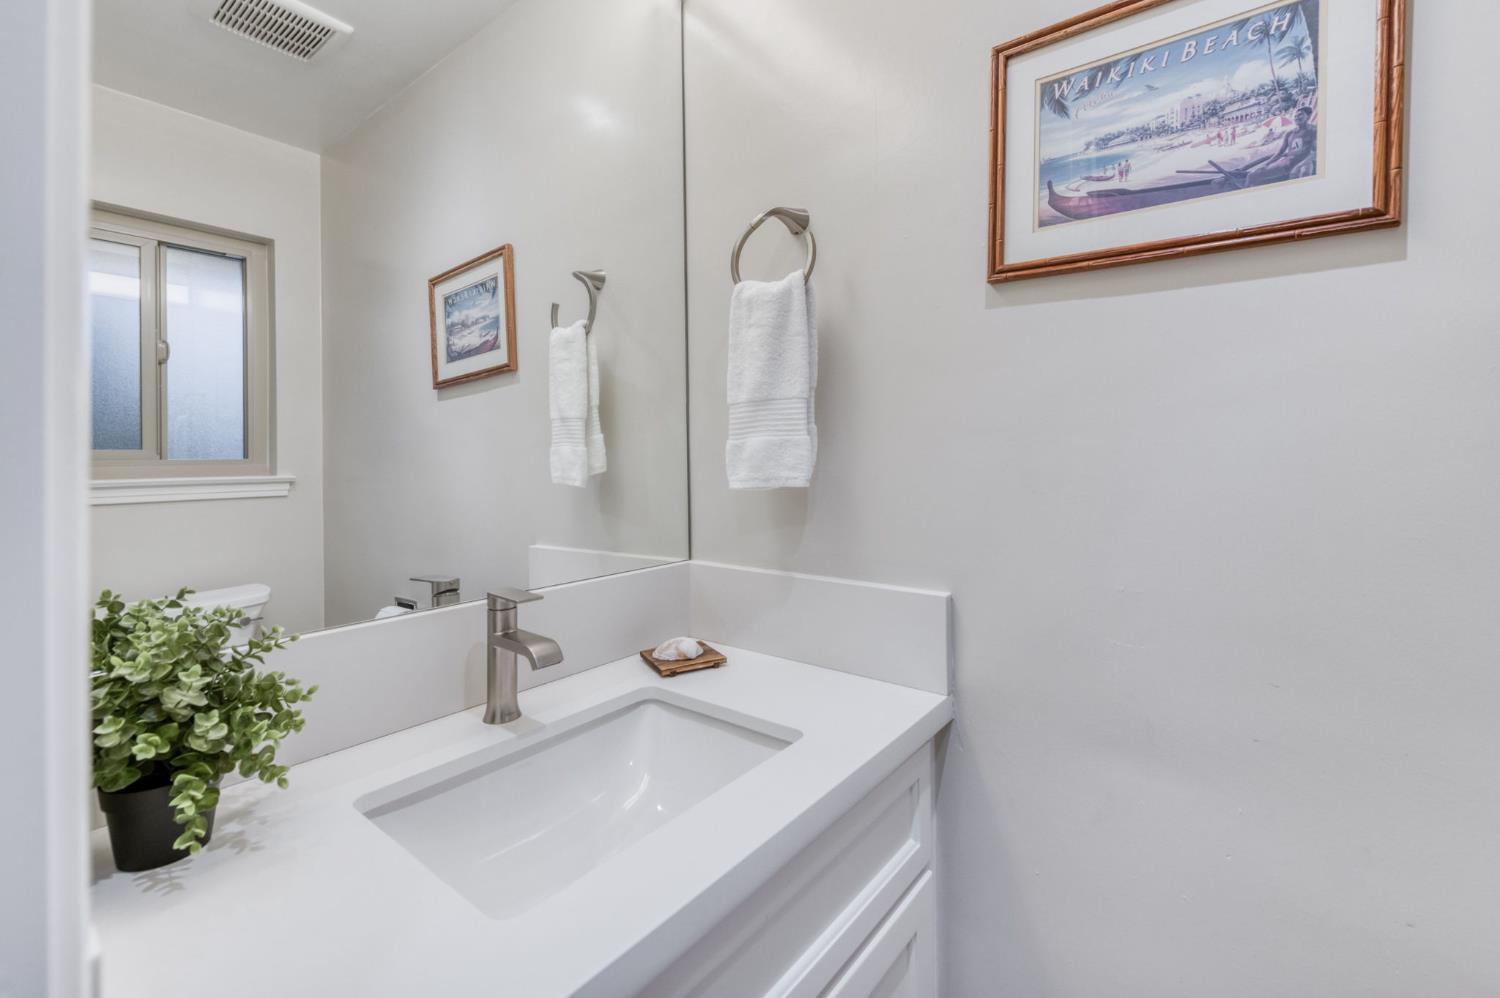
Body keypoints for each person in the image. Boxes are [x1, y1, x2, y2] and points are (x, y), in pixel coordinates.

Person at [1247, 106, 1316, 185]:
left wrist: (1300, 165)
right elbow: (1279, 153)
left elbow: (1316, 152)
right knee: (1252, 175)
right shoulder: (1290, 133)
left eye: (1300, 115)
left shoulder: (1313, 131)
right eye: (1295, 116)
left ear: (1308, 116)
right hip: (1287, 162)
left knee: (1304, 174)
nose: (1297, 117)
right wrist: (1265, 164)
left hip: (1304, 162)